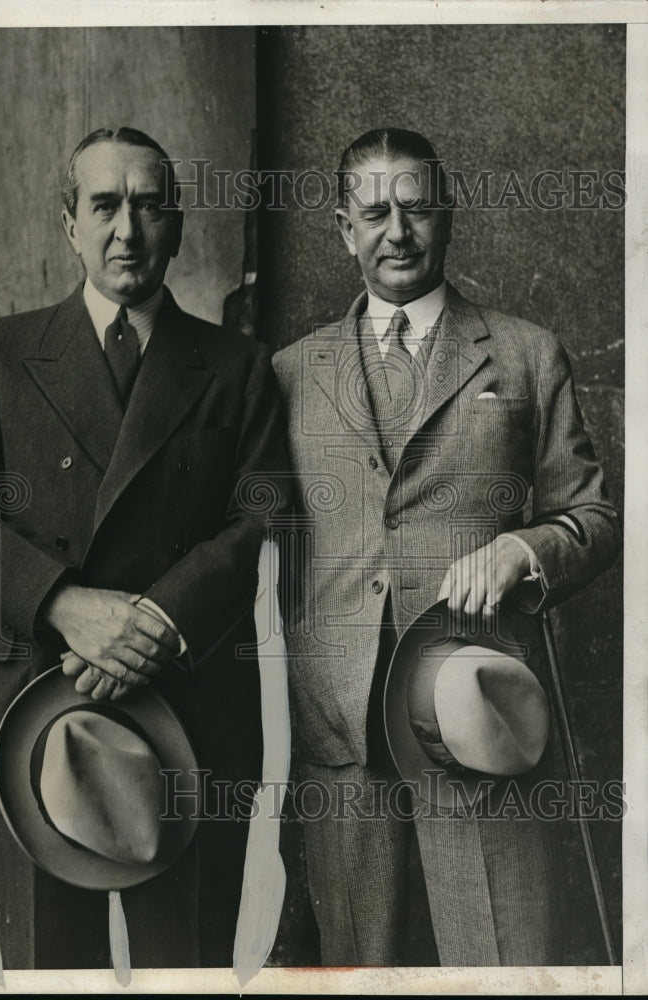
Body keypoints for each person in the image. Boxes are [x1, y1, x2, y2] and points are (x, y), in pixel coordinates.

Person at [0, 126, 289, 969]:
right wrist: (63, 603)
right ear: (69, 224)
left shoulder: (238, 367)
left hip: (191, 716)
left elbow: (264, 512)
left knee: (186, 973)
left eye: (149, 205)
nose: (127, 229)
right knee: (52, 977)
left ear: (177, 225)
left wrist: (159, 620)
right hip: (33, 714)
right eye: (104, 205)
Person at [272, 127, 620, 966]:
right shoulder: (287, 371)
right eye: (376, 212)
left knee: (499, 969)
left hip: (479, 723)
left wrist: (526, 551)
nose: (399, 232)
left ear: (448, 216)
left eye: (418, 208)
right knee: (361, 974)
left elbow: (595, 517)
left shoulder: (526, 355)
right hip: (343, 746)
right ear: (342, 228)